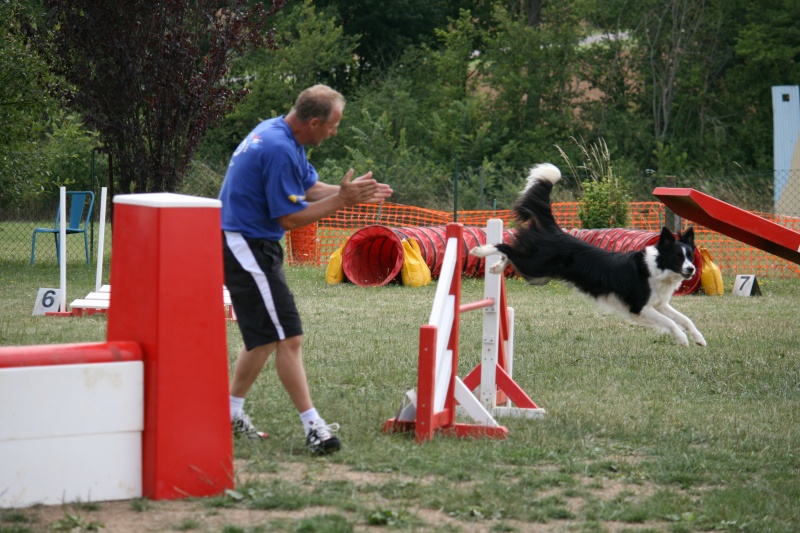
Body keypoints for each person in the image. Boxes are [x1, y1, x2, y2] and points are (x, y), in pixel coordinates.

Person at [218, 84, 393, 454]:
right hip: (245, 245)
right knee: (289, 337)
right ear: (313, 122)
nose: (334, 132)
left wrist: (350, 192)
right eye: (333, 125)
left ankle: (228, 412)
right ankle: (314, 427)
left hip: (250, 242)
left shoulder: (279, 133)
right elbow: (289, 218)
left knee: (265, 337)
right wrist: (343, 200)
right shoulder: (279, 147)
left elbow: (308, 188)